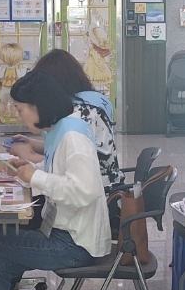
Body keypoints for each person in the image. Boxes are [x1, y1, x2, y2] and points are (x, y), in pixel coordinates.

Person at [0, 71, 111, 290]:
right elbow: (58, 171)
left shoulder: (72, 136)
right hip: (63, 235)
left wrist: (35, 177)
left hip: (74, 245)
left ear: (38, 106)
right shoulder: (61, 129)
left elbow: (85, 190)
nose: (19, 116)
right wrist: (30, 169)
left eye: (20, 109)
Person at [7, 48, 121, 190]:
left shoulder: (79, 116)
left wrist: (29, 157)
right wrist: (31, 146)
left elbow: (75, 169)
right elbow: (62, 149)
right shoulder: (90, 102)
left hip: (103, 189)